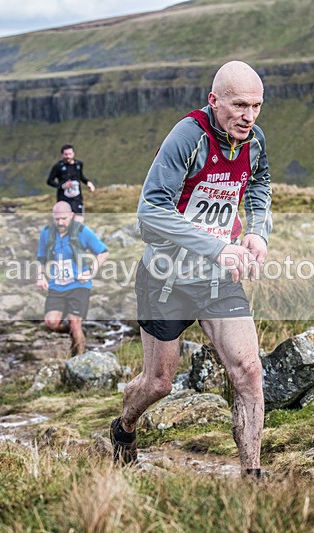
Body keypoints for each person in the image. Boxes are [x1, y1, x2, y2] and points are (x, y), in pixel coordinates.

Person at [111, 61, 272, 478]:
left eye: (256, 106)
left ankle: (252, 478)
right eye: (239, 105)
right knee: (159, 383)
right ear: (214, 100)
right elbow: (150, 210)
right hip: (166, 278)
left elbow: (259, 184)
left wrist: (257, 232)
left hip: (218, 278)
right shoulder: (188, 137)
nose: (249, 116)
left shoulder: (254, 141)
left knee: (249, 371)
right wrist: (217, 247)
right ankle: (124, 427)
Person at [36, 201, 108, 357]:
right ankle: (74, 333)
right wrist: (41, 277)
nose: (60, 223)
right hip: (56, 285)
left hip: (78, 285)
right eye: (57, 219)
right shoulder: (46, 232)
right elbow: (41, 258)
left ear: (72, 215)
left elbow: (103, 252)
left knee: (75, 322)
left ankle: (79, 360)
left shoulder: (82, 231)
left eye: (64, 219)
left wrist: (90, 271)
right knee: (51, 323)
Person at [46, 144, 96, 222]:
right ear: (62, 155)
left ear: (73, 153)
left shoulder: (78, 164)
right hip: (64, 199)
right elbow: (49, 181)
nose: (68, 156)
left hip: (77, 198)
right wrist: (62, 186)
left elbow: (81, 176)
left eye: (70, 154)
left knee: (78, 222)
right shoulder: (58, 166)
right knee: (65, 222)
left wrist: (88, 183)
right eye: (66, 154)